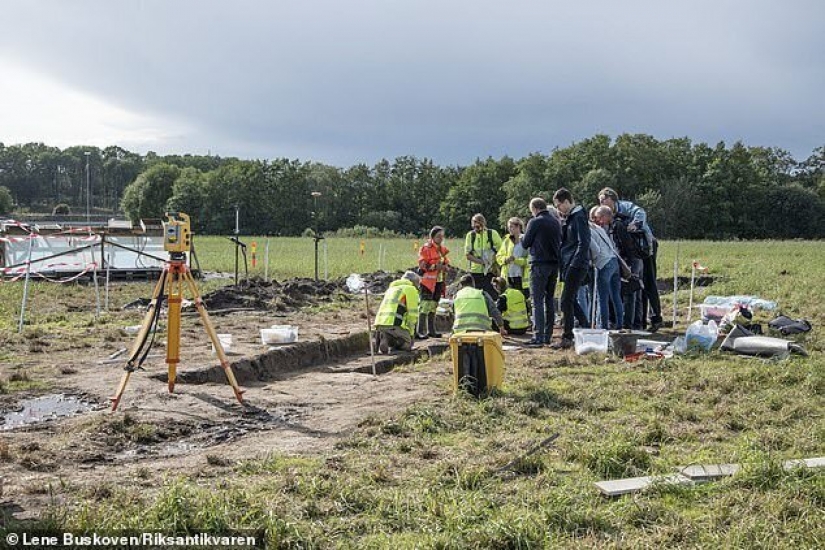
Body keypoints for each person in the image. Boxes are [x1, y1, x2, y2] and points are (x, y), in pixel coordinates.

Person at [598, 187, 663, 332]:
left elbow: (640, 212)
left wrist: (636, 223)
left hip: (645, 245)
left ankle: (656, 317)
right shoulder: (608, 216)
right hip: (631, 250)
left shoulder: (625, 206)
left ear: (612, 199)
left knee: (648, 280)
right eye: (600, 201)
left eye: (604, 199)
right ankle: (639, 322)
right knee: (635, 285)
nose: (601, 202)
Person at [553, 188, 591, 349]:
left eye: (559, 205)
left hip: (576, 264)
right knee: (570, 300)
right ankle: (586, 327)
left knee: (565, 300)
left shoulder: (579, 217)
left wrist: (575, 263)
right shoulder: (570, 218)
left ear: (567, 201)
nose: (558, 209)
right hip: (570, 263)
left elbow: (584, 242)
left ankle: (567, 336)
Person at [521, 197, 562, 346]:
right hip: (554, 264)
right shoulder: (555, 222)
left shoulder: (535, 221)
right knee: (550, 300)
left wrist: (522, 237)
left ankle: (538, 336)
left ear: (535, 209)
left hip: (539, 263)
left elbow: (526, 243)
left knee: (537, 301)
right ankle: (548, 334)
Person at [599, 204, 642, 329]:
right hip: (622, 259)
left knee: (630, 291)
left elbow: (627, 245)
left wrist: (627, 264)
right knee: (622, 292)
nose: (600, 222)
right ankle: (624, 322)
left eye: (600, 218)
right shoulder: (612, 226)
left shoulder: (618, 226)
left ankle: (629, 323)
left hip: (630, 259)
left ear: (606, 216)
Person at [590, 206, 624, 330]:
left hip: (604, 263)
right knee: (616, 296)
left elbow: (595, 250)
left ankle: (603, 327)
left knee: (602, 298)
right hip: (614, 261)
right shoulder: (600, 229)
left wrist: (593, 261)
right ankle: (620, 324)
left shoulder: (588, 230)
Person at [373, 271, 421, 353]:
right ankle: (394, 345)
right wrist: (411, 335)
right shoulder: (410, 289)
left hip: (379, 324)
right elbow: (413, 314)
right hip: (394, 323)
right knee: (407, 344)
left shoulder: (391, 289)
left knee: (392, 333)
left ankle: (385, 338)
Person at [417, 226, 450, 338]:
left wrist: (446, 267)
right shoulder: (426, 249)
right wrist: (437, 266)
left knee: (434, 306)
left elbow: (446, 263)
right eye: (438, 236)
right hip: (428, 282)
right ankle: (420, 331)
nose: (441, 238)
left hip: (439, 281)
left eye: (442, 236)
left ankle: (432, 330)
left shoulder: (442, 249)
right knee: (425, 306)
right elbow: (422, 265)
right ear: (432, 237)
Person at [464, 213, 502, 299]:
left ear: (483, 224)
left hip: (491, 272)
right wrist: (482, 262)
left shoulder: (492, 234)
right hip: (475, 272)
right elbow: (467, 255)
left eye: (478, 226)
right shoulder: (470, 235)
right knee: (477, 297)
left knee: (493, 297)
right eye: (474, 226)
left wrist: (493, 262)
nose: (477, 229)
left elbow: (501, 251)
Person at [496, 217, 530, 299]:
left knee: (521, 300)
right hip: (508, 277)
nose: (509, 229)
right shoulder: (506, 241)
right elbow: (498, 256)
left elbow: (529, 260)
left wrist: (516, 260)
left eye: (512, 227)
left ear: (518, 227)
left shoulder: (526, 240)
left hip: (521, 277)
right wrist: (505, 259)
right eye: (508, 227)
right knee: (508, 300)